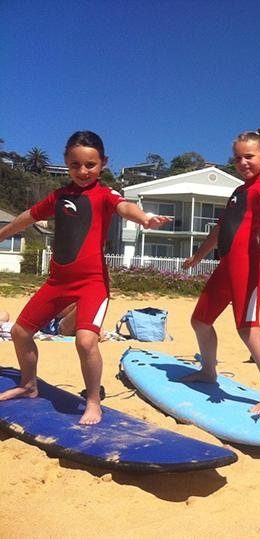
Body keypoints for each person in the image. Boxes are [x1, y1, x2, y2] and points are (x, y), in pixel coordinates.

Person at [0, 131, 170, 424]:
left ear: (103, 163)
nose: (82, 171)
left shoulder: (104, 194)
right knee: (20, 332)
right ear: (66, 163)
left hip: (92, 284)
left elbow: (124, 207)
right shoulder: (59, 197)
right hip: (57, 282)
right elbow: (26, 217)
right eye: (75, 164)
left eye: (90, 165)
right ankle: (28, 385)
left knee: (85, 341)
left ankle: (93, 401)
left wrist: (143, 218)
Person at [181, 129, 260, 414]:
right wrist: (197, 257)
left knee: (247, 328)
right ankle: (208, 371)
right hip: (227, 265)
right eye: (238, 158)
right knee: (200, 319)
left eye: (249, 156)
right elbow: (219, 230)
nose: (243, 162)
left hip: (248, 266)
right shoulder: (239, 191)